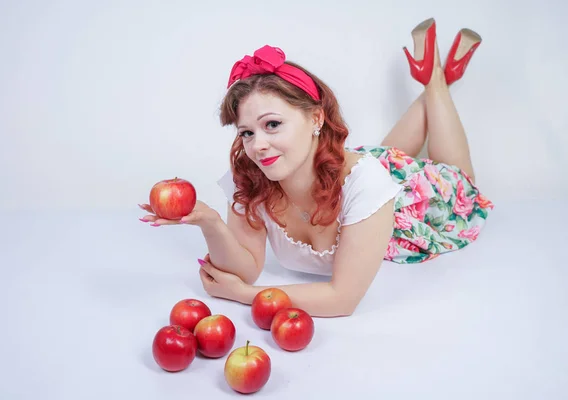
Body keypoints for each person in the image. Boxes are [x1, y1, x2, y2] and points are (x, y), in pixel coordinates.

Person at [138, 17, 494, 317]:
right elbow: (244, 269)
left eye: (272, 124)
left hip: (409, 198)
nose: (257, 145)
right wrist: (210, 223)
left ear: (316, 119)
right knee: (385, 153)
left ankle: (433, 77)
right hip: (345, 164)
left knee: (464, 182)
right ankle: (436, 75)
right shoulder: (251, 175)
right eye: (246, 131)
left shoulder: (368, 184)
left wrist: (248, 297)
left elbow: (343, 299)